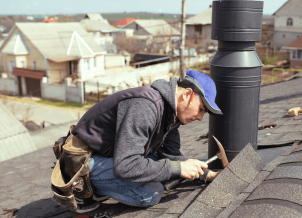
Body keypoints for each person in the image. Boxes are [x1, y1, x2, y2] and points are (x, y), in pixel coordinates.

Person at [72, 69, 223, 213]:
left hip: (112, 156)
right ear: (187, 94)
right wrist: (178, 168)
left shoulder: (171, 114)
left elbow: (171, 157)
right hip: (84, 162)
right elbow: (125, 165)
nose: (200, 118)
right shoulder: (145, 106)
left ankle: (106, 184)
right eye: (201, 109)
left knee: (161, 167)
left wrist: (206, 174)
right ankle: (85, 186)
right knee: (151, 192)